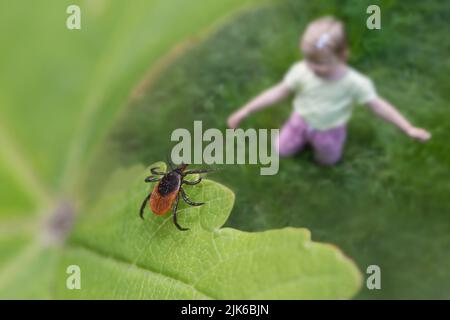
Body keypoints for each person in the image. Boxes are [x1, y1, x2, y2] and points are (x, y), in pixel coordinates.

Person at [227, 16, 431, 165]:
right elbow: (278, 92)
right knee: (280, 150)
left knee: (328, 160)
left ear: (343, 55)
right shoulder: (302, 71)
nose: (313, 67)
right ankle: (291, 141)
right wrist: (247, 110)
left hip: (330, 130)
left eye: (321, 63)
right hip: (300, 121)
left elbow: (378, 106)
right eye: (309, 60)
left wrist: (407, 128)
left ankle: (322, 155)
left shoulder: (355, 83)